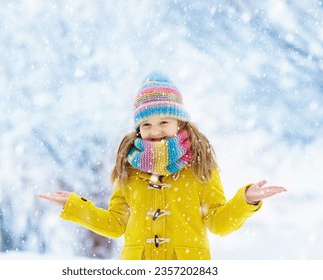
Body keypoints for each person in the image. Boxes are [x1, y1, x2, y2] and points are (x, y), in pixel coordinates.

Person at [39, 72, 287, 260]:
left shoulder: (200, 166)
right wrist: (73, 206)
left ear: (179, 122)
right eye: (146, 124)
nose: (154, 131)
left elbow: (218, 223)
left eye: (163, 121)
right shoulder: (129, 169)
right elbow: (115, 225)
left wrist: (246, 200)